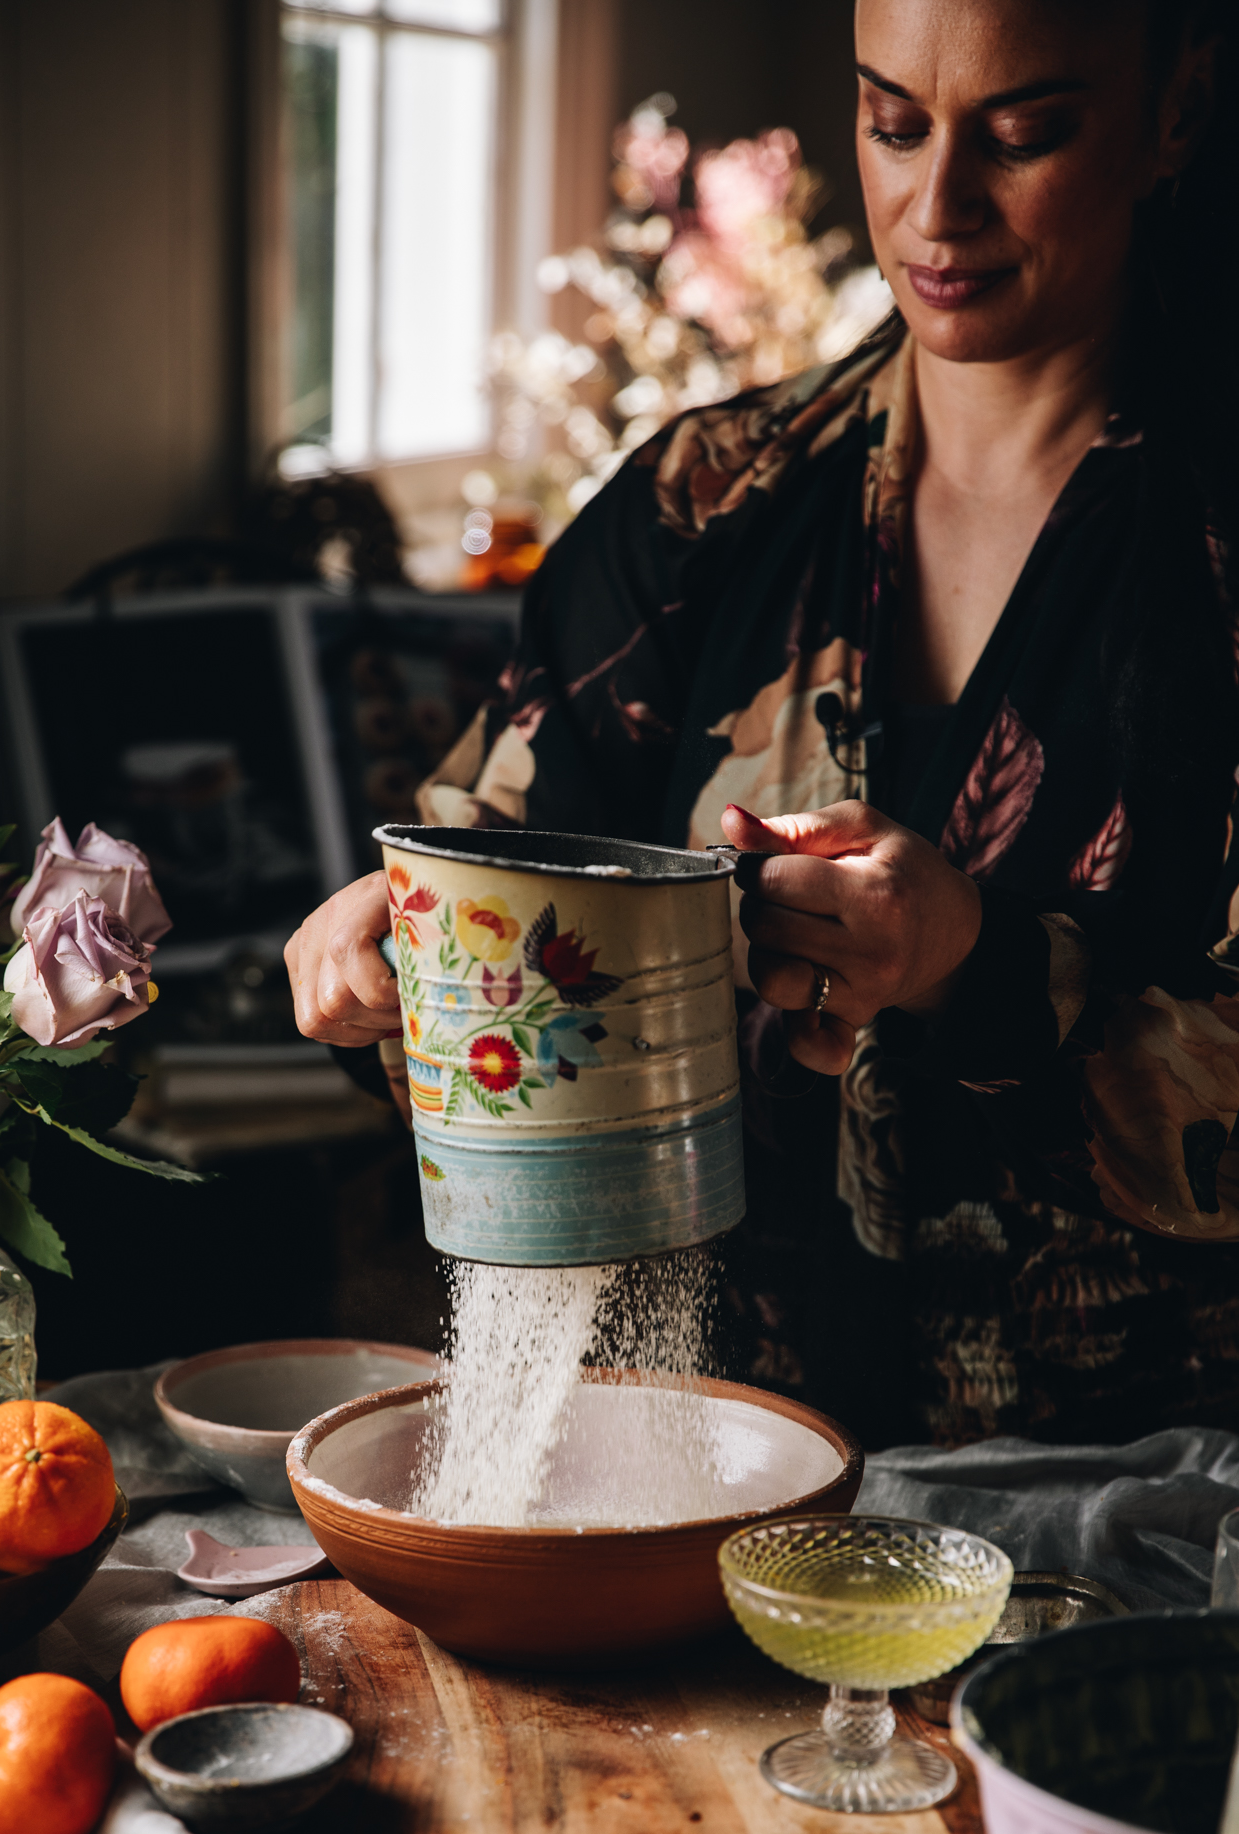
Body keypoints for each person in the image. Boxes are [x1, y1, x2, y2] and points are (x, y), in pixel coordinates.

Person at [287, 0, 1239, 1451]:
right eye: (893, 122)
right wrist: (389, 950)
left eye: (1026, 132)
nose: (938, 206)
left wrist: (977, 960)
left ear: (1176, 111)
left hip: (1140, 1532)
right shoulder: (700, 511)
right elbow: (504, 854)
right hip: (700, 1472)